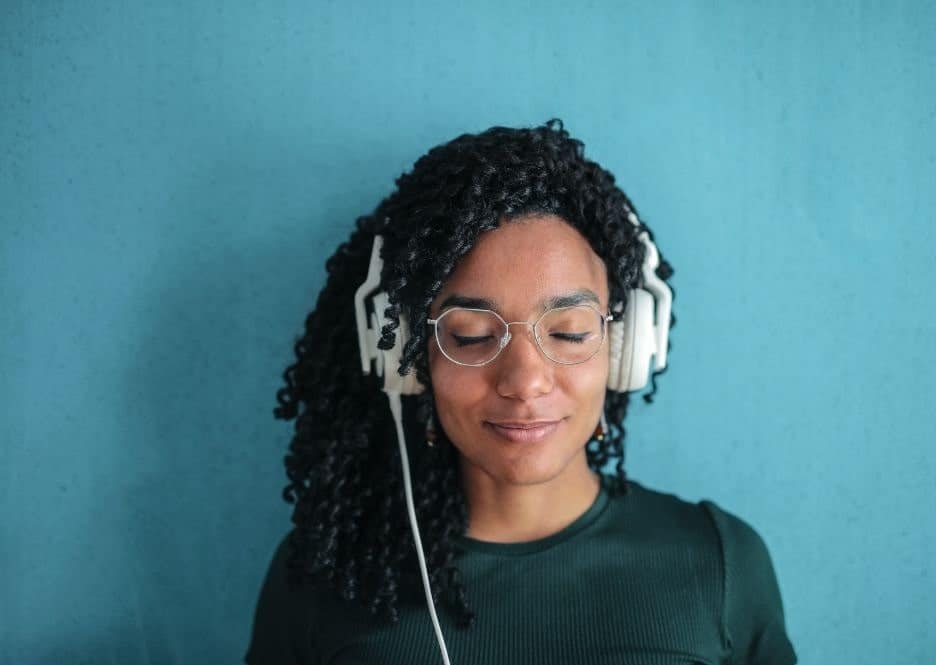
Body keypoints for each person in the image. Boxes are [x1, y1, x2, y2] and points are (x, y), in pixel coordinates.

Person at [244, 120, 797, 664]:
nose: (526, 381)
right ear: (406, 356)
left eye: (569, 332)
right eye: (472, 335)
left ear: (625, 346)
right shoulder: (324, 573)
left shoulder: (719, 562)